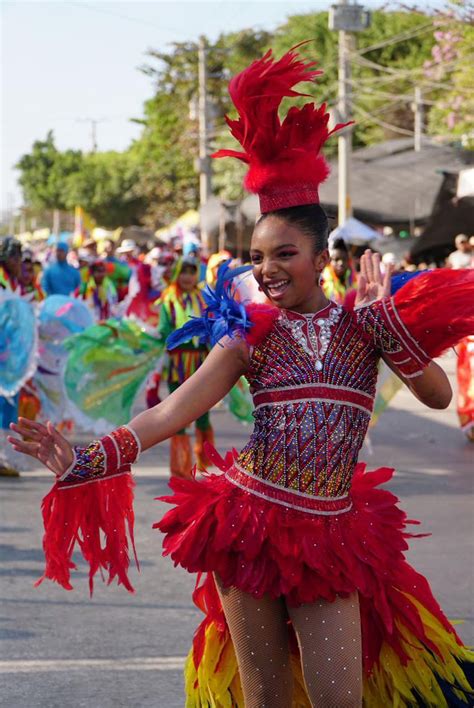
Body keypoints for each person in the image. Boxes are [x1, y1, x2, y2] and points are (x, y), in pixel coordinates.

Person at [8, 47, 474, 707]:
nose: (270, 269)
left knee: (340, 700)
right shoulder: (247, 338)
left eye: (286, 254)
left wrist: (387, 323)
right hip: (249, 523)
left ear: (321, 259)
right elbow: (168, 413)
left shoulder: (366, 326)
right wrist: (82, 460)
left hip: (333, 530)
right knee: (265, 701)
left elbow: (437, 394)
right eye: (259, 257)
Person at [156, 257, 214, 476]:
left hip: (200, 362)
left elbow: (214, 323)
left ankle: (204, 460)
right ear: (176, 274)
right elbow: (163, 329)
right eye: (184, 272)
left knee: (202, 411)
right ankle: (181, 466)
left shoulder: (204, 298)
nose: (188, 277)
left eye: (192, 272)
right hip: (177, 363)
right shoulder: (168, 300)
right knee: (177, 413)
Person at [321, 237, 357, 306]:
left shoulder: (353, 282)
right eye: (336, 259)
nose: (341, 263)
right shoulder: (321, 282)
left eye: (344, 259)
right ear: (330, 261)